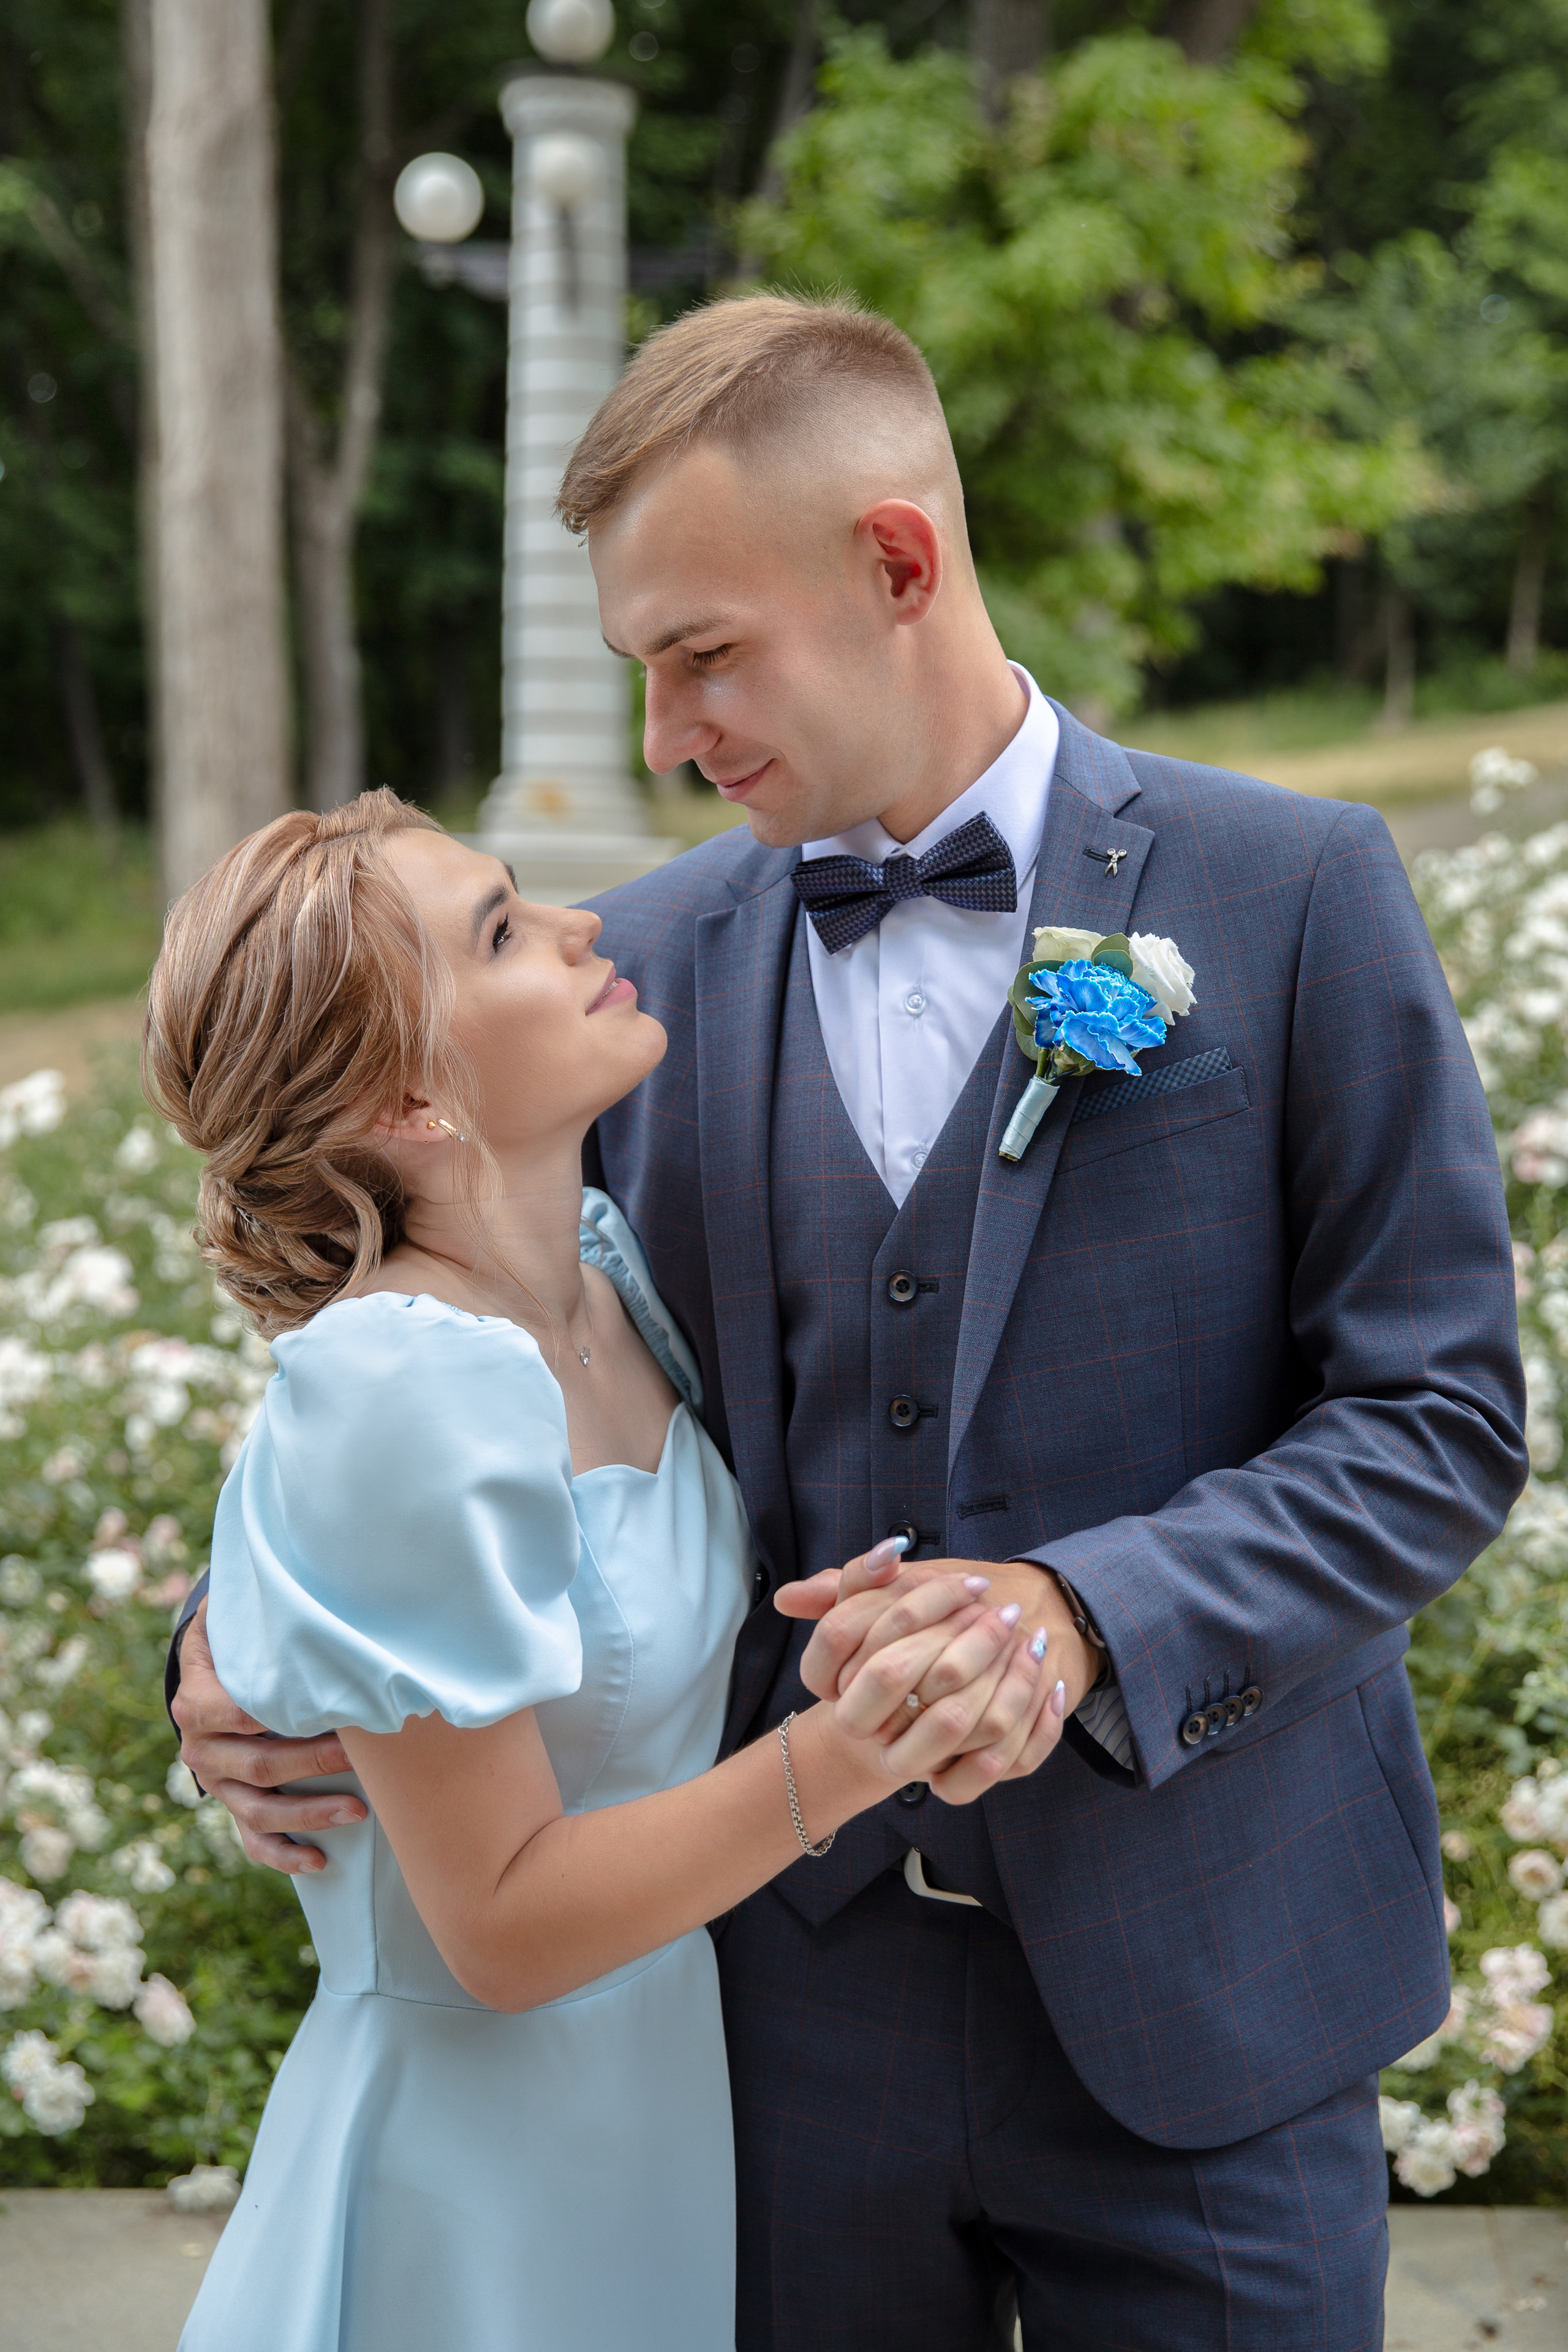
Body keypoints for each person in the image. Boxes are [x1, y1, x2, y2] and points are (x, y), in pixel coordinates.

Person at [173, 296, 1528, 2350]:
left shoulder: (1295, 895)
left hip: (1208, 1999)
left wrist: (1077, 1618)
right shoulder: (629, 987)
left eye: (703, 655)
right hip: (764, 2040)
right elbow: (415, 1357)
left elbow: (1435, 1422)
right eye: (646, 668)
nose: (665, 737)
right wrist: (217, 1649)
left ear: (893, 565)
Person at [148, 790, 1066, 2352]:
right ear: (405, 1099)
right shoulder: (398, 1385)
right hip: (469, 2178)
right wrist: (846, 1755)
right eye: (502, 931)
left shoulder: (606, 1278)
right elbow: (496, 1930)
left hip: (650, 2114)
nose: (582, 928)